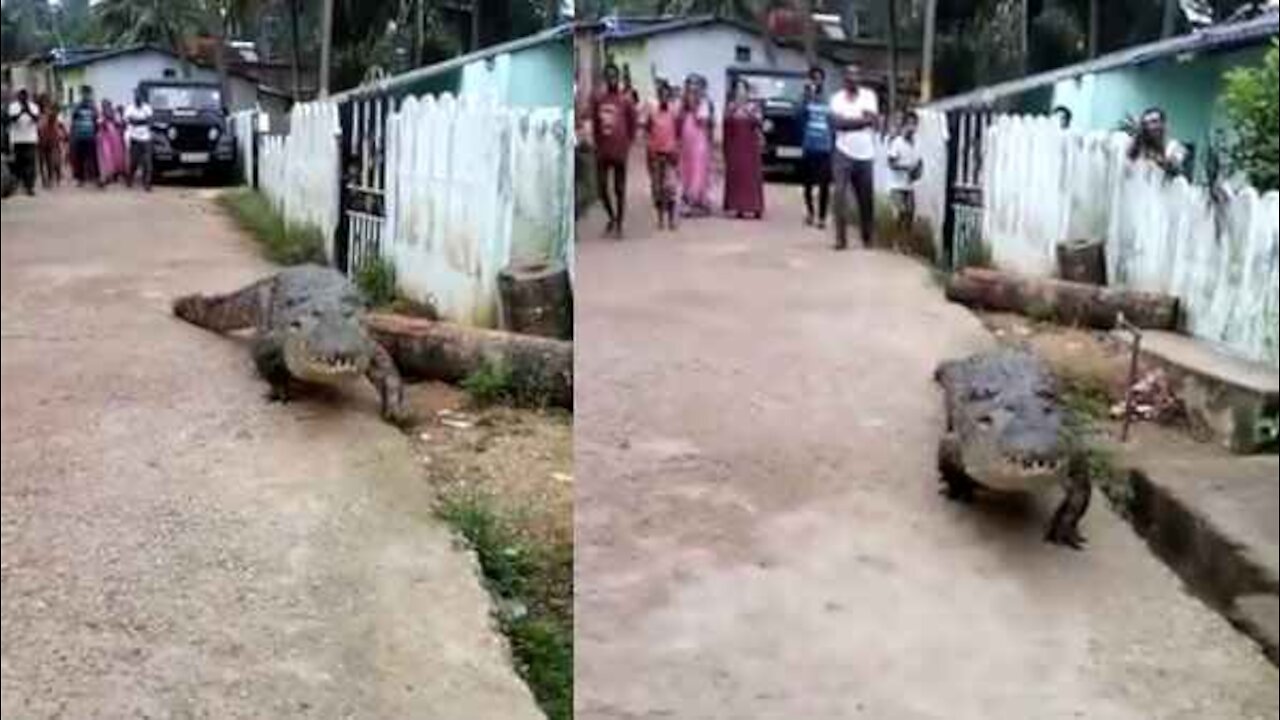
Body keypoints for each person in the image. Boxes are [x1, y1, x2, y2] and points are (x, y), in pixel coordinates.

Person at [828, 64, 880, 250]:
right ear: (845, 80)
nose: (854, 80)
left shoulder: (869, 96)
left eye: (857, 76)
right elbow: (836, 124)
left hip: (865, 154)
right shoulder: (837, 99)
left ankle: (867, 237)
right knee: (839, 196)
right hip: (843, 152)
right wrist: (861, 121)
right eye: (850, 77)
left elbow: (874, 121)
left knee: (866, 199)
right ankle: (841, 239)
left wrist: (849, 122)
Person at [591, 63, 638, 238]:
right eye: (608, 76)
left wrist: (627, 144)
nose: (612, 79)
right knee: (601, 188)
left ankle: (619, 223)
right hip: (603, 151)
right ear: (605, 78)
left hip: (620, 151)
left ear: (617, 78)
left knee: (620, 189)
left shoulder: (625, 100)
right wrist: (596, 145)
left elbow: (633, 124)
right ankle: (611, 216)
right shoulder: (598, 99)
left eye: (614, 76)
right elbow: (596, 124)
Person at [721, 78, 764, 219]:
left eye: (742, 89)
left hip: (750, 146)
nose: (740, 92)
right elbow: (726, 125)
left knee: (752, 176)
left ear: (747, 91)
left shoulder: (754, 107)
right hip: (735, 145)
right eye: (738, 89)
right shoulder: (731, 107)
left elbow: (759, 122)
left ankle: (755, 207)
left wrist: (747, 111)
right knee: (737, 176)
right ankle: (738, 206)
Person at [642, 79, 680, 230]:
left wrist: (677, 150)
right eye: (661, 95)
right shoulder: (652, 112)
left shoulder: (674, 112)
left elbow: (678, 133)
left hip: (670, 154)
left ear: (669, 96)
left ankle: (671, 220)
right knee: (657, 189)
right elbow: (647, 131)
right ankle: (660, 219)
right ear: (658, 97)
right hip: (656, 153)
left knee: (670, 188)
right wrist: (649, 149)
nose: (664, 98)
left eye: (666, 95)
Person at [798, 67, 833, 229]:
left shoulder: (828, 99)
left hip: (824, 147)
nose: (816, 81)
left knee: (824, 183)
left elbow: (832, 122)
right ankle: (810, 212)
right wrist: (806, 99)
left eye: (819, 78)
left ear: (823, 81)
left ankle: (822, 217)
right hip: (809, 146)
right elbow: (797, 116)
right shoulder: (805, 98)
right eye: (814, 78)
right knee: (807, 183)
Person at [678, 74, 714, 217]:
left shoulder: (704, 102)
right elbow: (679, 119)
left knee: (699, 169)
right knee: (686, 169)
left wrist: (696, 106)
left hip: (700, 139)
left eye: (695, 85)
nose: (693, 88)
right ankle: (688, 198)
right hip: (687, 139)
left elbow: (705, 121)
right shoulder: (684, 103)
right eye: (690, 85)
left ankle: (697, 201)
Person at [887, 110, 923, 231]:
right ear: (904, 125)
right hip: (897, 185)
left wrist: (918, 172)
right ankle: (896, 241)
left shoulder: (917, 143)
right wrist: (906, 168)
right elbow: (891, 163)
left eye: (914, 124)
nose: (912, 127)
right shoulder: (897, 143)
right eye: (909, 124)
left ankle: (905, 242)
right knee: (900, 213)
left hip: (909, 186)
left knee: (910, 214)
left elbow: (919, 162)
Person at [1127, 107, 1186, 178]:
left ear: (1164, 124)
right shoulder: (1140, 146)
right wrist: (1137, 138)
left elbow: (1174, 168)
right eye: (1146, 123)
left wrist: (1155, 157)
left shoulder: (1175, 147)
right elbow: (1129, 159)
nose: (1150, 127)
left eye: (1154, 121)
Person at [6, 88, 40, 195]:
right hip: (17, 139)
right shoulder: (13, 106)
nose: (23, 97)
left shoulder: (34, 106)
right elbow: (11, 119)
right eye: (21, 95)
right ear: (18, 96)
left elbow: (36, 119)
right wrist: (21, 112)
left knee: (30, 163)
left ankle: (29, 186)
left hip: (30, 139)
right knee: (18, 163)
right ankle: (18, 184)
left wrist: (28, 111)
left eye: (25, 95)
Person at [123, 88, 154, 190]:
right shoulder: (130, 108)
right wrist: (139, 121)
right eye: (136, 96)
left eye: (139, 96)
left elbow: (150, 122)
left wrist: (137, 122)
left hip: (146, 138)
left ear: (142, 97)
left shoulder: (147, 108)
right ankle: (130, 178)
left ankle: (147, 183)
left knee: (147, 162)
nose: (137, 98)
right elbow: (126, 120)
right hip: (134, 138)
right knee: (134, 162)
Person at [69, 86, 100, 187]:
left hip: (91, 136)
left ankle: (96, 178)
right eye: (84, 93)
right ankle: (80, 179)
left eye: (87, 93)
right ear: (81, 94)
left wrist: (96, 133)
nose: (86, 95)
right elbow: (73, 118)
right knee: (80, 158)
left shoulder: (93, 106)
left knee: (94, 158)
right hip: (79, 136)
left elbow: (96, 119)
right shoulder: (77, 106)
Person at [36, 94, 64, 188]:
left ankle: (51, 178)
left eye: (46, 101)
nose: (45, 103)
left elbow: (55, 119)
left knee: (51, 160)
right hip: (41, 140)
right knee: (42, 160)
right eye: (43, 101)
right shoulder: (38, 113)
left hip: (51, 140)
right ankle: (45, 179)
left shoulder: (51, 113)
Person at [96, 98, 126, 184]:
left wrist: (112, 120)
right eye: (103, 105)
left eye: (106, 104)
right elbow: (98, 122)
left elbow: (119, 123)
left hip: (114, 135)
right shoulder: (101, 114)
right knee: (107, 156)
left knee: (116, 156)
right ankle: (107, 175)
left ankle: (115, 173)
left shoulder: (114, 113)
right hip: (104, 137)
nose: (105, 106)